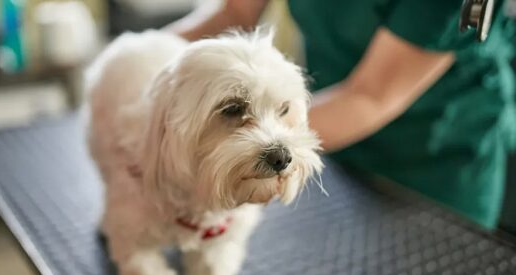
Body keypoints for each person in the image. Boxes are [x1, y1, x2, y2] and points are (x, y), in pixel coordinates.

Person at [166, 0, 516, 229]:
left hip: (438, 165)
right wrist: (131, 64)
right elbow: (232, 16)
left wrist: (229, 152)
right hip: (331, 146)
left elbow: (371, 96)